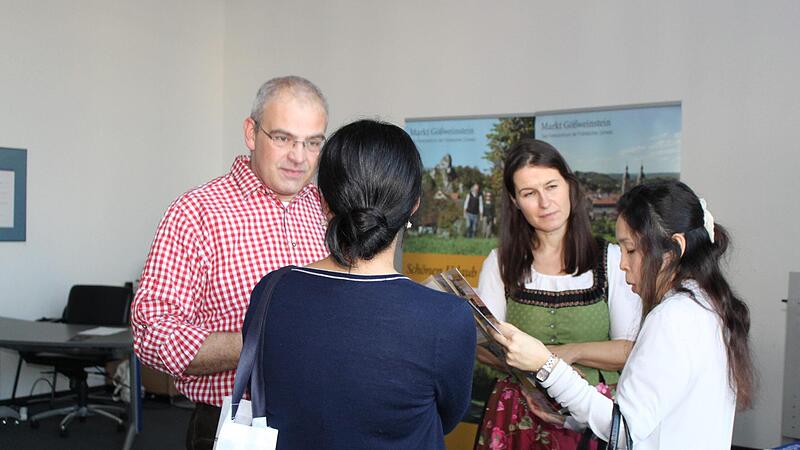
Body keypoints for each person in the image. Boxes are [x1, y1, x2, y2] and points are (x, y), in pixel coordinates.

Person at [242, 119, 476, 450]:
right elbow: (448, 417)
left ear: (323, 202)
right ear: (413, 205)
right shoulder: (447, 318)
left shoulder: (271, 290)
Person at [130, 76, 330, 450]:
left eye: (313, 143)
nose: (299, 157)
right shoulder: (196, 213)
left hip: (321, 423)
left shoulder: (328, 211)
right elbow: (152, 334)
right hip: (233, 427)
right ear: (251, 133)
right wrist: (257, 342)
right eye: (283, 138)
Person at [496, 180, 754, 449]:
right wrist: (570, 420)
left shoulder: (674, 317)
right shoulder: (706, 305)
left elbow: (626, 431)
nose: (622, 264)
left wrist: (546, 365)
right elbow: (647, 418)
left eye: (630, 250)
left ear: (672, 250)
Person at [474, 139, 641, 450]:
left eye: (551, 186)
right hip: (518, 415)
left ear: (569, 186)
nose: (544, 202)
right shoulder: (500, 263)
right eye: (529, 193)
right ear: (514, 201)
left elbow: (630, 350)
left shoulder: (613, 260)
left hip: (592, 414)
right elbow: (484, 346)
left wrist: (564, 354)